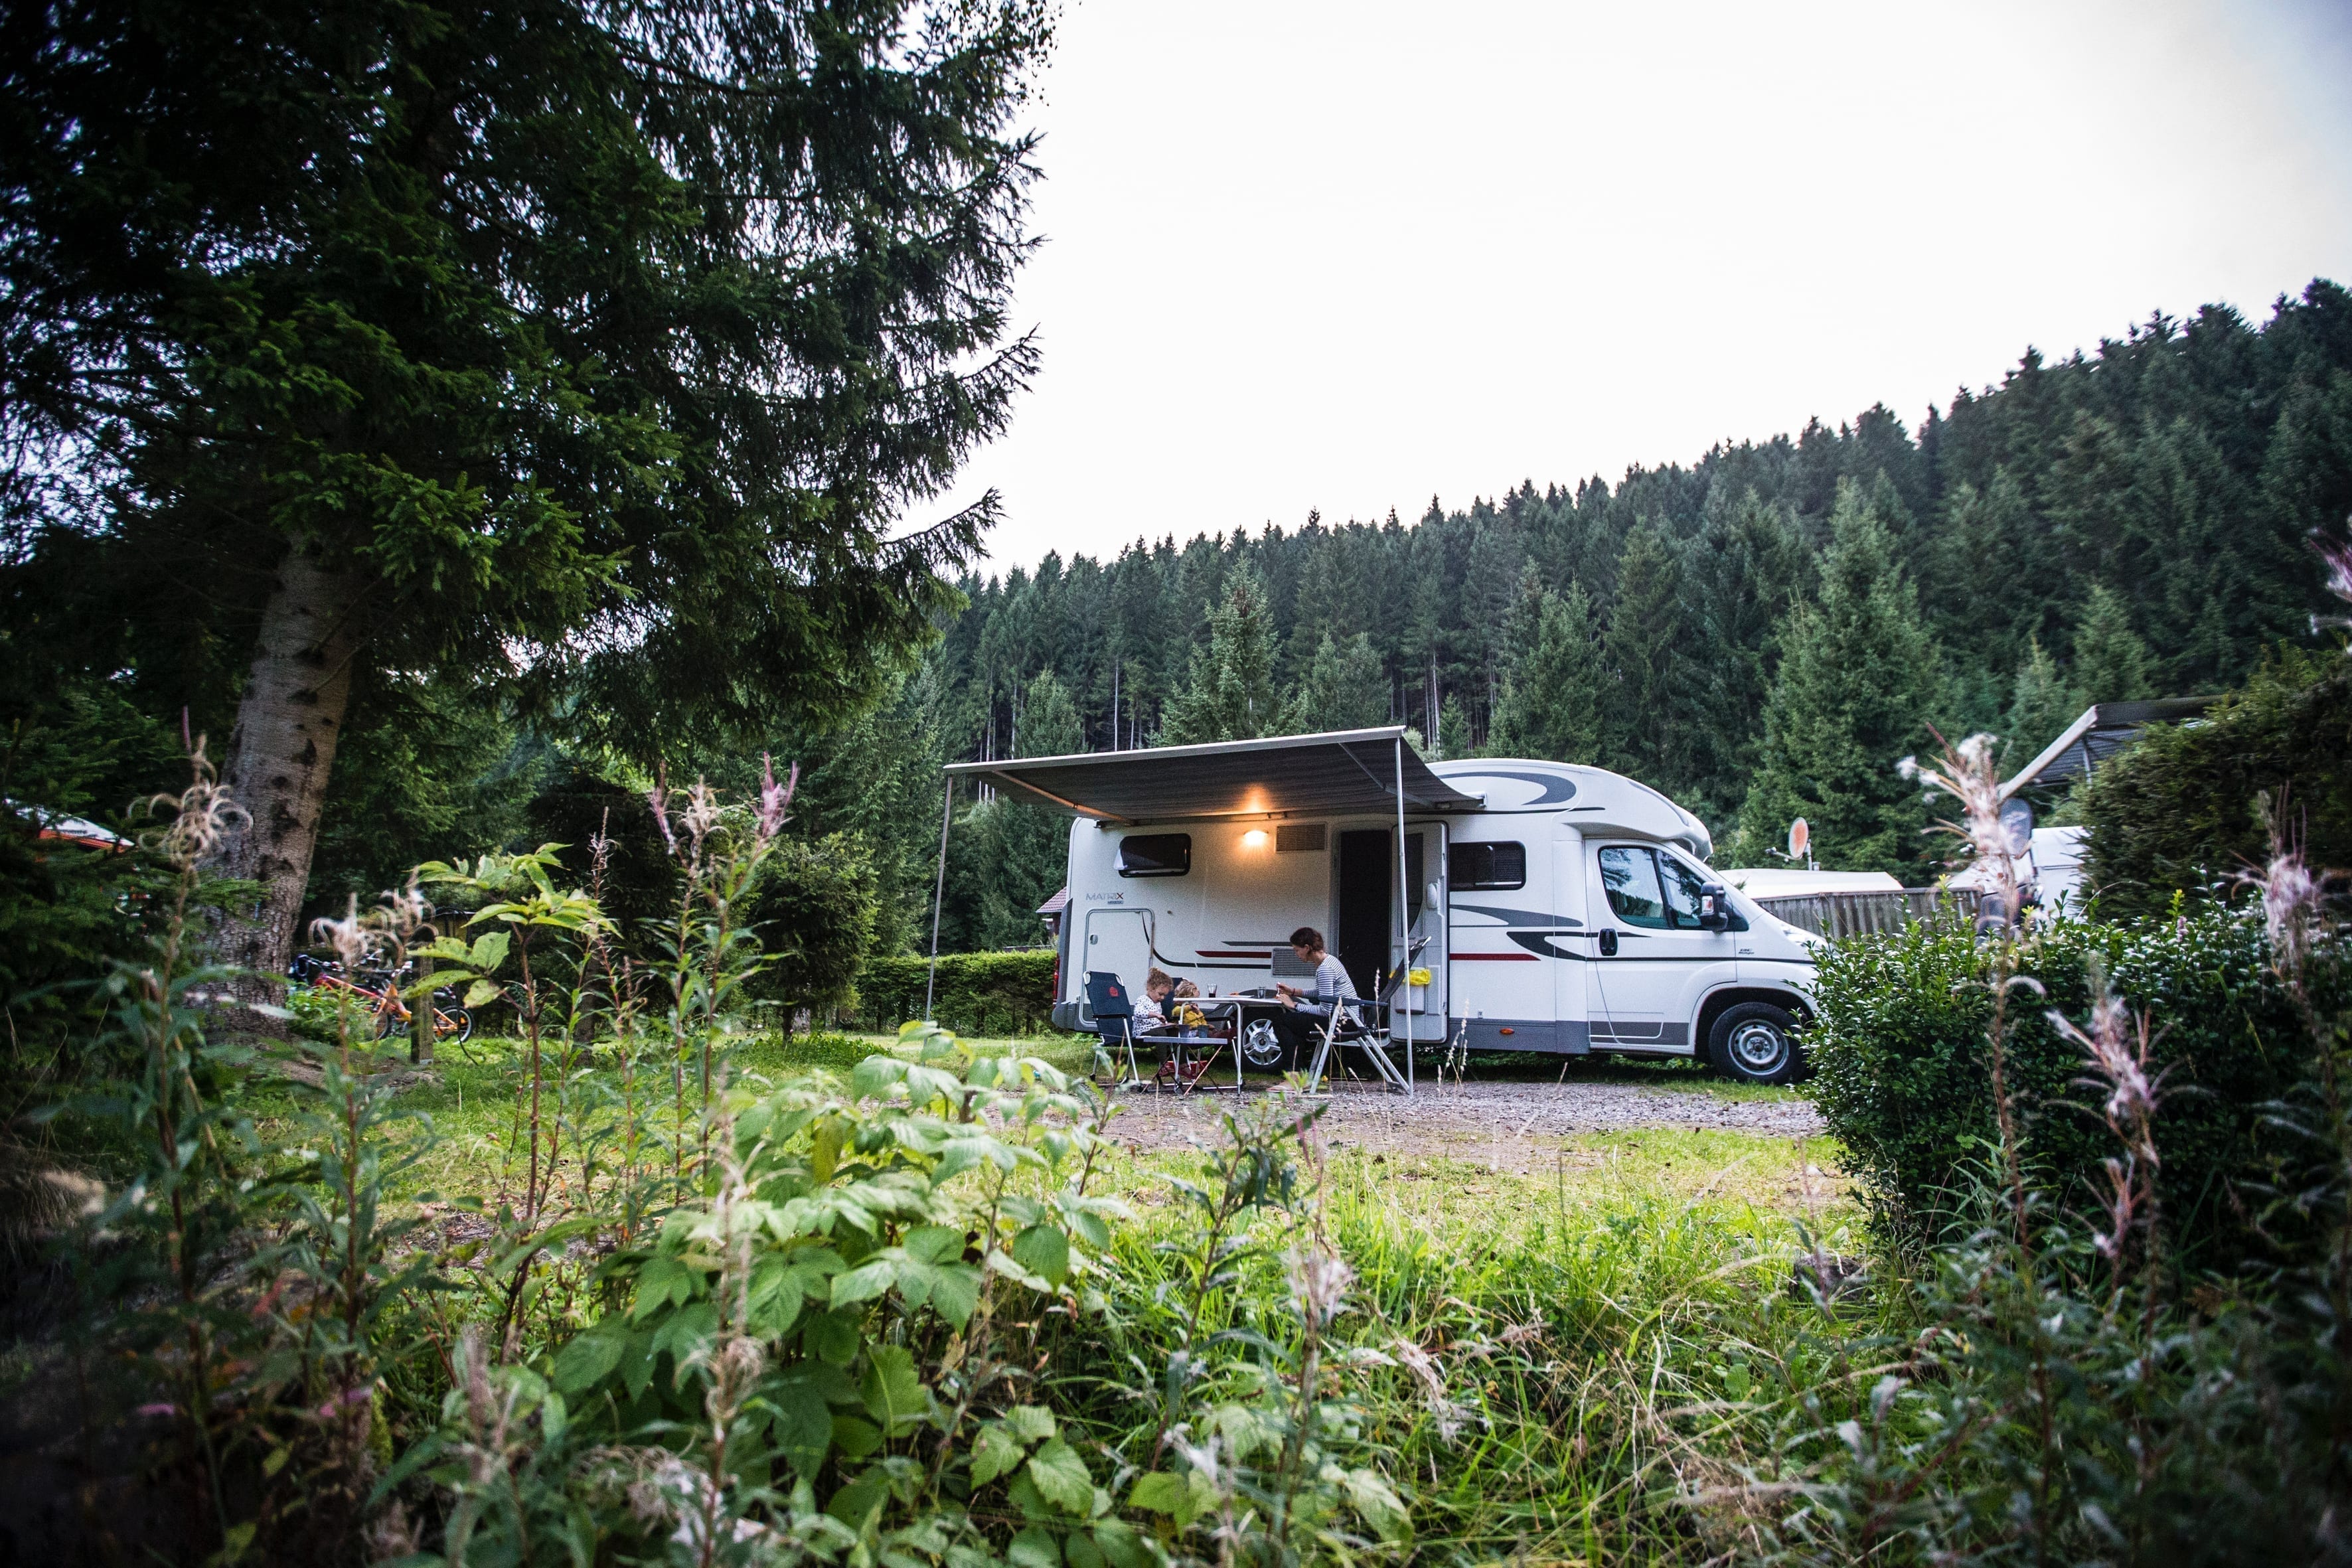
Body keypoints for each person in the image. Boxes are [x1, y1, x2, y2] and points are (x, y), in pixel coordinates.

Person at [1270, 926, 1356, 1063]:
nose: (1297, 955)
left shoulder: (1325, 969)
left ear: (1306, 948)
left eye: (1297, 950)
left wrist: (1294, 1005)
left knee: (1282, 1021)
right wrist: (1293, 991)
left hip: (1342, 1022)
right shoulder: (1331, 960)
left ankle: (1294, 1075)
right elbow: (1323, 993)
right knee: (1294, 1022)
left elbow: (1325, 1010)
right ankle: (1297, 1074)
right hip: (1350, 1019)